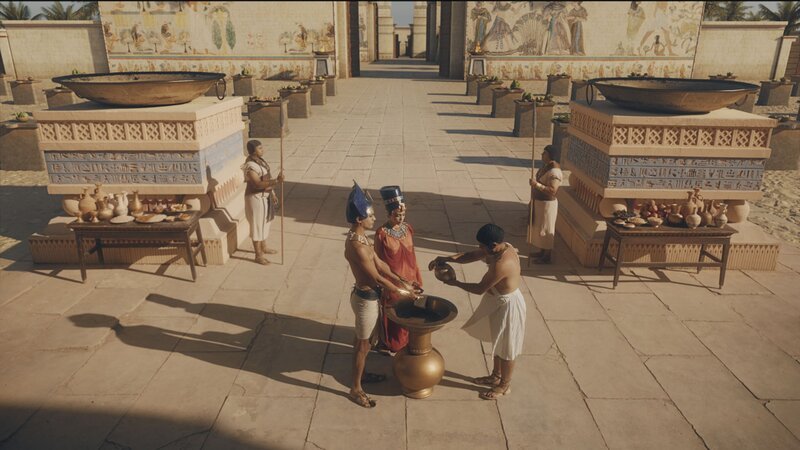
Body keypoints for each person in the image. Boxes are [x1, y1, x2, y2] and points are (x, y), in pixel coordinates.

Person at [343, 182, 419, 408]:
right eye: (370, 216)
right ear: (359, 220)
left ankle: (362, 374)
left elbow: (382, 264)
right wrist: (401, 290)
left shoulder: (362, 238)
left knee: (367, 341)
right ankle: (356, 388)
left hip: (371, 297)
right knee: (363, 346)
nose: (374, 219)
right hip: (365, 299)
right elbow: (376, 277)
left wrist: (403, 279)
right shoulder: (356, 245)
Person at [429, 224, 525, 400]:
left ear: (494, 244)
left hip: (508, 306)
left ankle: (504, 385)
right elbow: (471, 256)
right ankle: (496, 376)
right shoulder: (498, 248)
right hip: (496, 301)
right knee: (498, 341)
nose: (481, 249)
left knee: (508, 348)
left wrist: (455, 283)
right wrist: (447, 258)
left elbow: (480, 288)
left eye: (483, 246)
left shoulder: (502, 264)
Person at [374, 186, 422, 354]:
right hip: (393, 281)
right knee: (395, 314)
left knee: (411, 312)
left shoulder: (408, 229)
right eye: (396, 215)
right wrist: (384, 285)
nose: (400, 218)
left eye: (402, 215)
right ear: (388, 214)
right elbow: (378, 261)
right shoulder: (381, 234)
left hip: (411, 277)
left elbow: (413, 255)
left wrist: (417, 276)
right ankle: (392, 343)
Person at [243, 140, 284, 265]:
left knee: (265, 223)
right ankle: (258, 255)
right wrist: (276, 181)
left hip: (265, 196)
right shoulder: (250, 166)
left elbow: (266, 177)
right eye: (260, 148)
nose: (262, 150)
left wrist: (272, 193)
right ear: (253, 151)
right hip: (255, 198)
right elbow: (257, 184)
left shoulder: (261, 161)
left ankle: (264, 247)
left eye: (262, 147)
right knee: (257, 226)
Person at [529, 145, 563, 264]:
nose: (542, 155)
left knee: (547, 229)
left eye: (544, 153)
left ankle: (547, 256)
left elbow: (552, 190)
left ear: (550, 155)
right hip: (539, 203)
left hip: (548, 205)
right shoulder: (546, 167)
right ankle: (542, 251)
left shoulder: (555, 171)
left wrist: (536, 185)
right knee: (540, 228)